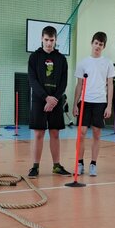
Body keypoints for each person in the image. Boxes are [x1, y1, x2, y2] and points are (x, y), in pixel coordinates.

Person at [27, 25, 71, 178]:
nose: (49, 43)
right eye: (46, 40)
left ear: (56, 40)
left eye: (51, 40)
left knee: (55, 133)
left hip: (56, 100)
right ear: (41, 38)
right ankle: (35, 167)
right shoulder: (34, 57)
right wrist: (46, 98)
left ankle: (56, 166)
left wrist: (54, 100)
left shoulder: (61, 59)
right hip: (39, 100)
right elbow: (32, 80)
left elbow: (63, 83)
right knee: (39, 134)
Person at [73, 31, 115, 177]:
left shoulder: (108, 63)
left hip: (100, 102)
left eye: (101, 44)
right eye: (96, 43)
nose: (98, 46)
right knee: (82, 133)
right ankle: (79, 163)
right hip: (85, 101)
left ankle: (93, 164)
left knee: (97, 133)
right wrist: (75, 104)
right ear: (92, 43)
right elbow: (79, 85)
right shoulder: (83, 63)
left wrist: (109, 105)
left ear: (104, 46)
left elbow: (110, 85)